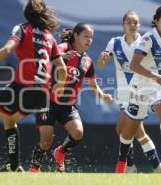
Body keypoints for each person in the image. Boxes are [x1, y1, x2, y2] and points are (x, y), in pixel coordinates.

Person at [0, 0, 67, 172]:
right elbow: (62, 69)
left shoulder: (21, 29)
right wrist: (60, 85)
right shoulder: (50, 38)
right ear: (43, 13)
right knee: (10, 121)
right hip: (41, 93)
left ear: (26, 12)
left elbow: (6, 50)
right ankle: (14, 166)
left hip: (21, 87)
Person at [98, 11, 161, 173]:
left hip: (143, 88)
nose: (132, 25)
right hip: (124, 93)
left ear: (139, 25)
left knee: (131, 129)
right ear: (123, 25)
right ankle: (151, 166)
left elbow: (160, 59)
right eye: (129, 22)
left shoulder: (145, 41)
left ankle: (137, 166)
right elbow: (101, 63)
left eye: (135, 22)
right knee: (129, 130)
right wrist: (102, 58)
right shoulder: (115, 42)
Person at [29, 23, 114, 172]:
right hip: (47, 100)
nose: (89, 40)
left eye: (91, 37)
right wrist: (60, 56)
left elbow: (93, 85)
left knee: (78, 132)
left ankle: (60, 152)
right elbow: (42, 59)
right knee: (46, 140)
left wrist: (102, 96)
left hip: (67, 105)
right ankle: (35, 167)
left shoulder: (87, 61)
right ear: (75, 35)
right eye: (86, 36)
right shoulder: (62, 48)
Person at [115, 5, 161, 173]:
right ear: (156, 21)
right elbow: (134, 65)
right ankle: (122, 163)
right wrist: (154, 76)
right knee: (130, 130)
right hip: (141, 84)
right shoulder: (148, 39)